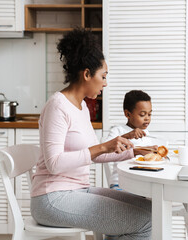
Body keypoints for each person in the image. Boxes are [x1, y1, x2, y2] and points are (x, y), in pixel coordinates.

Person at [30, 28, 152, 239]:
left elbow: (97, 154)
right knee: (144, 222)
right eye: (103, 76)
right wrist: (104, 146)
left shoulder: (82, 107)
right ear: (87, 74)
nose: (106, 83)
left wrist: (134, 151)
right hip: (52, 198)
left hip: (77, 190)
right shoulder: (57, 106)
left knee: (150, 210)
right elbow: (54, 163)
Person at [105, 90, 157, 190]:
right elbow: (104, 150)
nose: (147, 118)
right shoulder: (118, 131)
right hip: (120, 184)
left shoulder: (147, 134)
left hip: (141, 184)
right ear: (128, 114)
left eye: (149, 114)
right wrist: (128, 136)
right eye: (142, 114)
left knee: (156, 199)